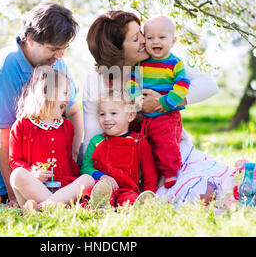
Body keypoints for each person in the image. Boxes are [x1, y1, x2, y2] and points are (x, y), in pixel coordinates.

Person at [83, 10, 234, 206]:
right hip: (129, 161)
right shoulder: (98, 80)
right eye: (137, 38)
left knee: (212, 192)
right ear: (118, 50)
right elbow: (93, 136)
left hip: (168, 153)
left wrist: (164, 101)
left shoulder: (159, 63)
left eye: (142, 34)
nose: (146, 41)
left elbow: (209, 85)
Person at [0, 2, 84, 204]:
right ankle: (54, 204)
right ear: (31, 40)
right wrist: (12, 195)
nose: (60, 56)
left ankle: (52, 203)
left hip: (57, 176)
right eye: (54, 49)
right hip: (12, 177)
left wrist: (72, 158)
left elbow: (73, 111)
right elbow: (5, 136)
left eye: (64, 49)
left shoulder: (55, 62)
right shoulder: (3, 70)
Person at [9, 66, 94, 211]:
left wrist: (77, 181)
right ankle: (58, 206)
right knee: (17, 175)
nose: (68, 100)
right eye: (65, 93)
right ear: (47, 93)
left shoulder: (67, 126)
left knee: (88, 179)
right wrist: (32, 172)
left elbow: (70, 162)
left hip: (64, 188)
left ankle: (44, 207)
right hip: (35, 189)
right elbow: (14, 160)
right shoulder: (22, 125)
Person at [127, 16, 190, 189]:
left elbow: (183, 84)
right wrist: (136, 95)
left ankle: (170, 171)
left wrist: (167, 102)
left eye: (162, 37)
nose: (156, 41)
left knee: (166, 143)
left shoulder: (175, 63)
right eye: (150, 37)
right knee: (145, 146)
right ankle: (147, 177)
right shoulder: (141, 63)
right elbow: (132, 81)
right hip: (145, 116)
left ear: (173, 41)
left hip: (166, 115)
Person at [80, 89, 157, 208]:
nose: (106, 119)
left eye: (113, 113)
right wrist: (102, 176)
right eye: (102, 114)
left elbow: (150, 175)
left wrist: (149, 195)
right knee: (93, 193)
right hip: (102, 187)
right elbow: (86, 167)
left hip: (127, 190)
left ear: (130, 115)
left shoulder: (139, 141)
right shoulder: (96, 141)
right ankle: (99, 205)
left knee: (130, 199)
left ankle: (134, 206)